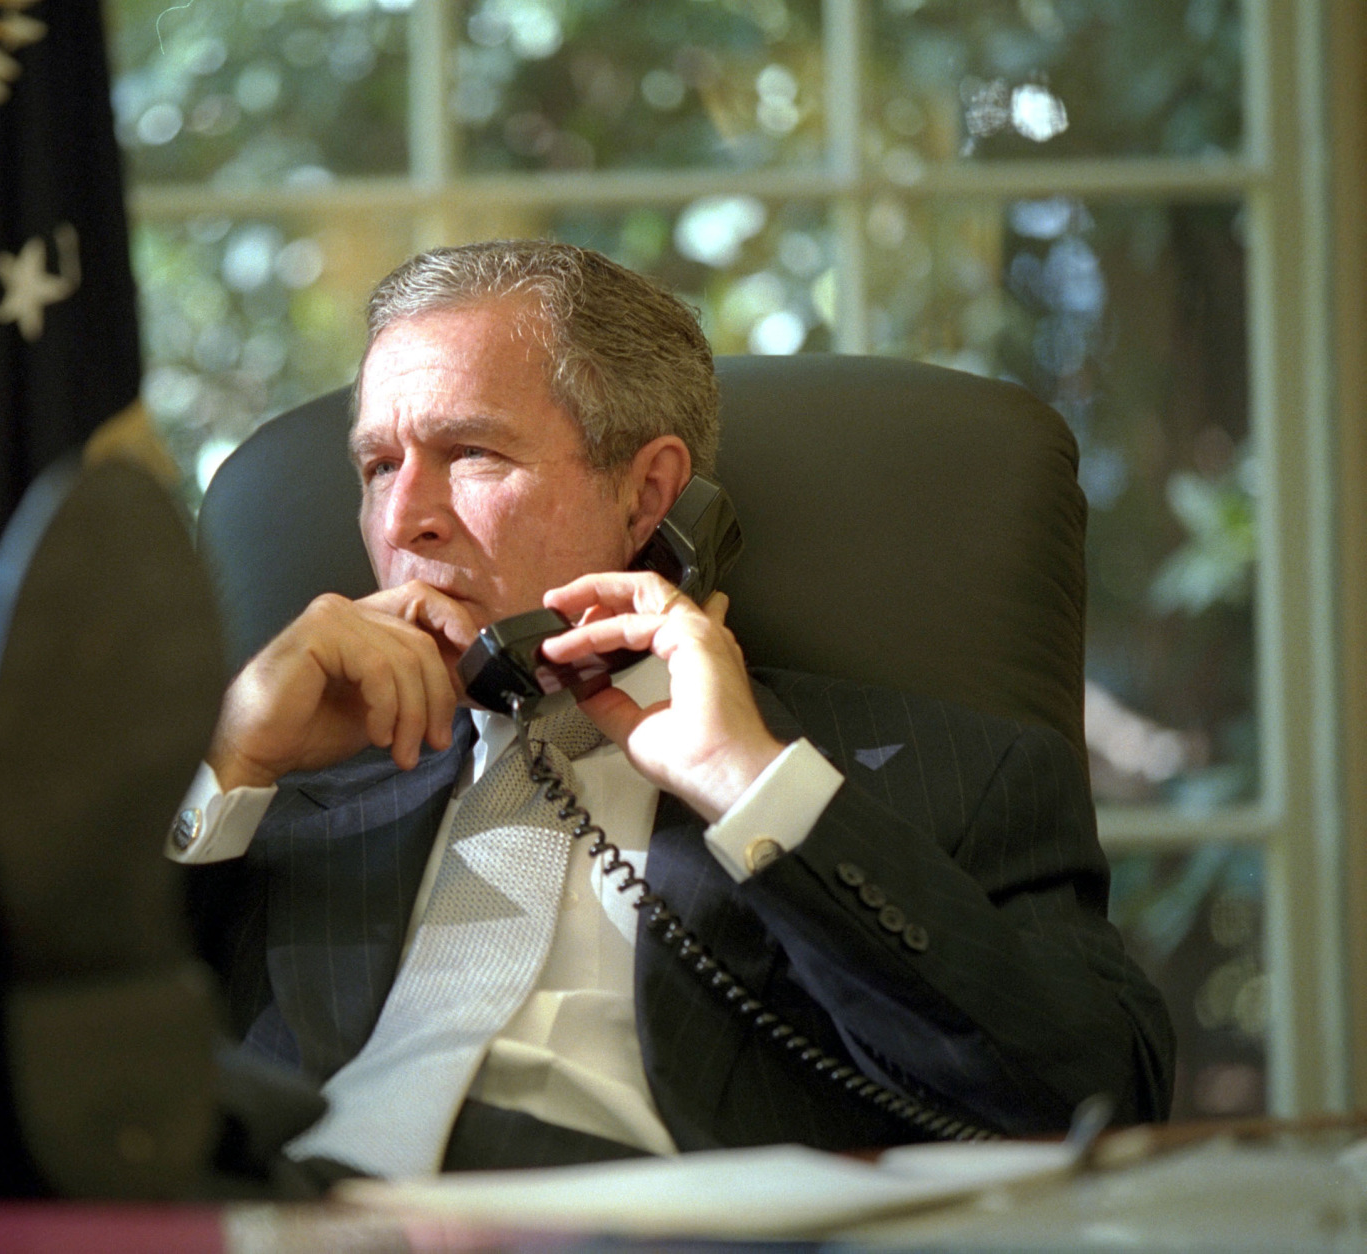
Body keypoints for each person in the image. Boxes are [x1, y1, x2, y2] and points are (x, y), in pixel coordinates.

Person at [170, 240, 1174, 1179]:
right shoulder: (281, 785)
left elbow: (1098, 1100)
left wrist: (748, 784)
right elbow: (92, 1069)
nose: (401, 519)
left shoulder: (940, 775)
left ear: (648, 495)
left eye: (471, 452)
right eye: (378, 466)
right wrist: (229, 765)